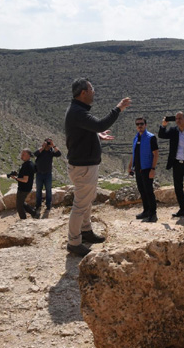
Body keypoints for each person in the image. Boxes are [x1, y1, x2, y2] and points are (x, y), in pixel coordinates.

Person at [64, 78, 131, 257]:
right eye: (91, 89)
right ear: (83, 93)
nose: (94, 92)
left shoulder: (78, 111)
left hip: (86, 165)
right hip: (83, 167)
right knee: (80, 205)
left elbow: (84, 133)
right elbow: (100, 124)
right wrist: (118, 108)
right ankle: (74, 242)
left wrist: (97, 136)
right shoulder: (78, 112)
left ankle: (85, 231)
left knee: (87, 200)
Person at [128, 117, 159, 223]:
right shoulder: (136, 138)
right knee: (142, 191)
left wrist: (153, 169)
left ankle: (153, 213)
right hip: (138, 169)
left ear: (145, 125)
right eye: (137, 124)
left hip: (147, 169)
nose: (139, 126)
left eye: (141, 124)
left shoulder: (151, 137)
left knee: (149, 191)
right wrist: (130, 165)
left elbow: (156, 154)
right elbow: (134, 153)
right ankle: (146, 211)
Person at [34, 138, 62, 214]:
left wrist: (53, 146)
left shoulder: (51, 152)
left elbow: (59, 154)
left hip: (47, 174)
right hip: (39, 173)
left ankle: (48, 205)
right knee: (38, 190)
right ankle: (38, 205)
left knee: (48, 190)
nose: (48, 145)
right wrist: (42, 147)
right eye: (47, 143)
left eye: (49, 143)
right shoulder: (41, 151)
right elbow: (34, 154)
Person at [9, 149, 38, 220]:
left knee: (19, 205)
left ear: (28, 155)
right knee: (21, 202)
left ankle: (23, 220)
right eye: (21, 154)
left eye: (23, 155)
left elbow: (25, 180)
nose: (21, 156)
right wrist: (18, 175)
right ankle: (33, 213)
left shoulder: (26, 165)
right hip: (27, 187)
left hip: (23, 188)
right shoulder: (30, 163)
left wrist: (16, 178)